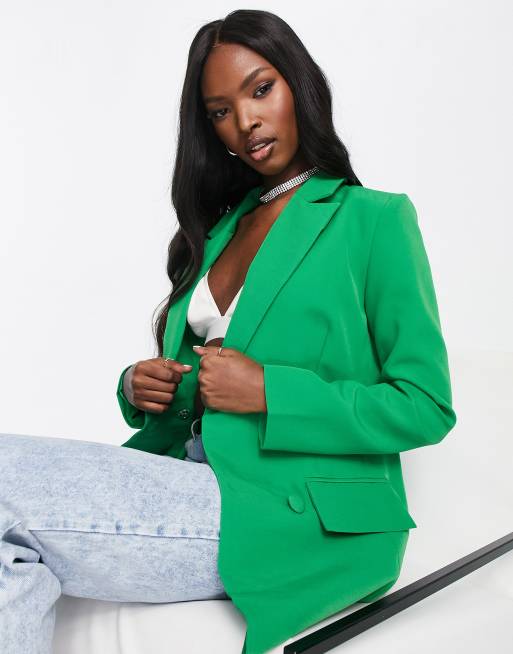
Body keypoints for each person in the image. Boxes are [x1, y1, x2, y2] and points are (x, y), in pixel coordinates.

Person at [0, 9, 457, 654]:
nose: (246, 122)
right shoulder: (220, 228)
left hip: (295, 512)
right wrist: (141, 387)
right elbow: (206, 391)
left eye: (260, 89)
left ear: (299, 84)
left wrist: (268, 390)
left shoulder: (373, 220)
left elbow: (426, 405)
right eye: (220, 111)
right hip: (192, 477)